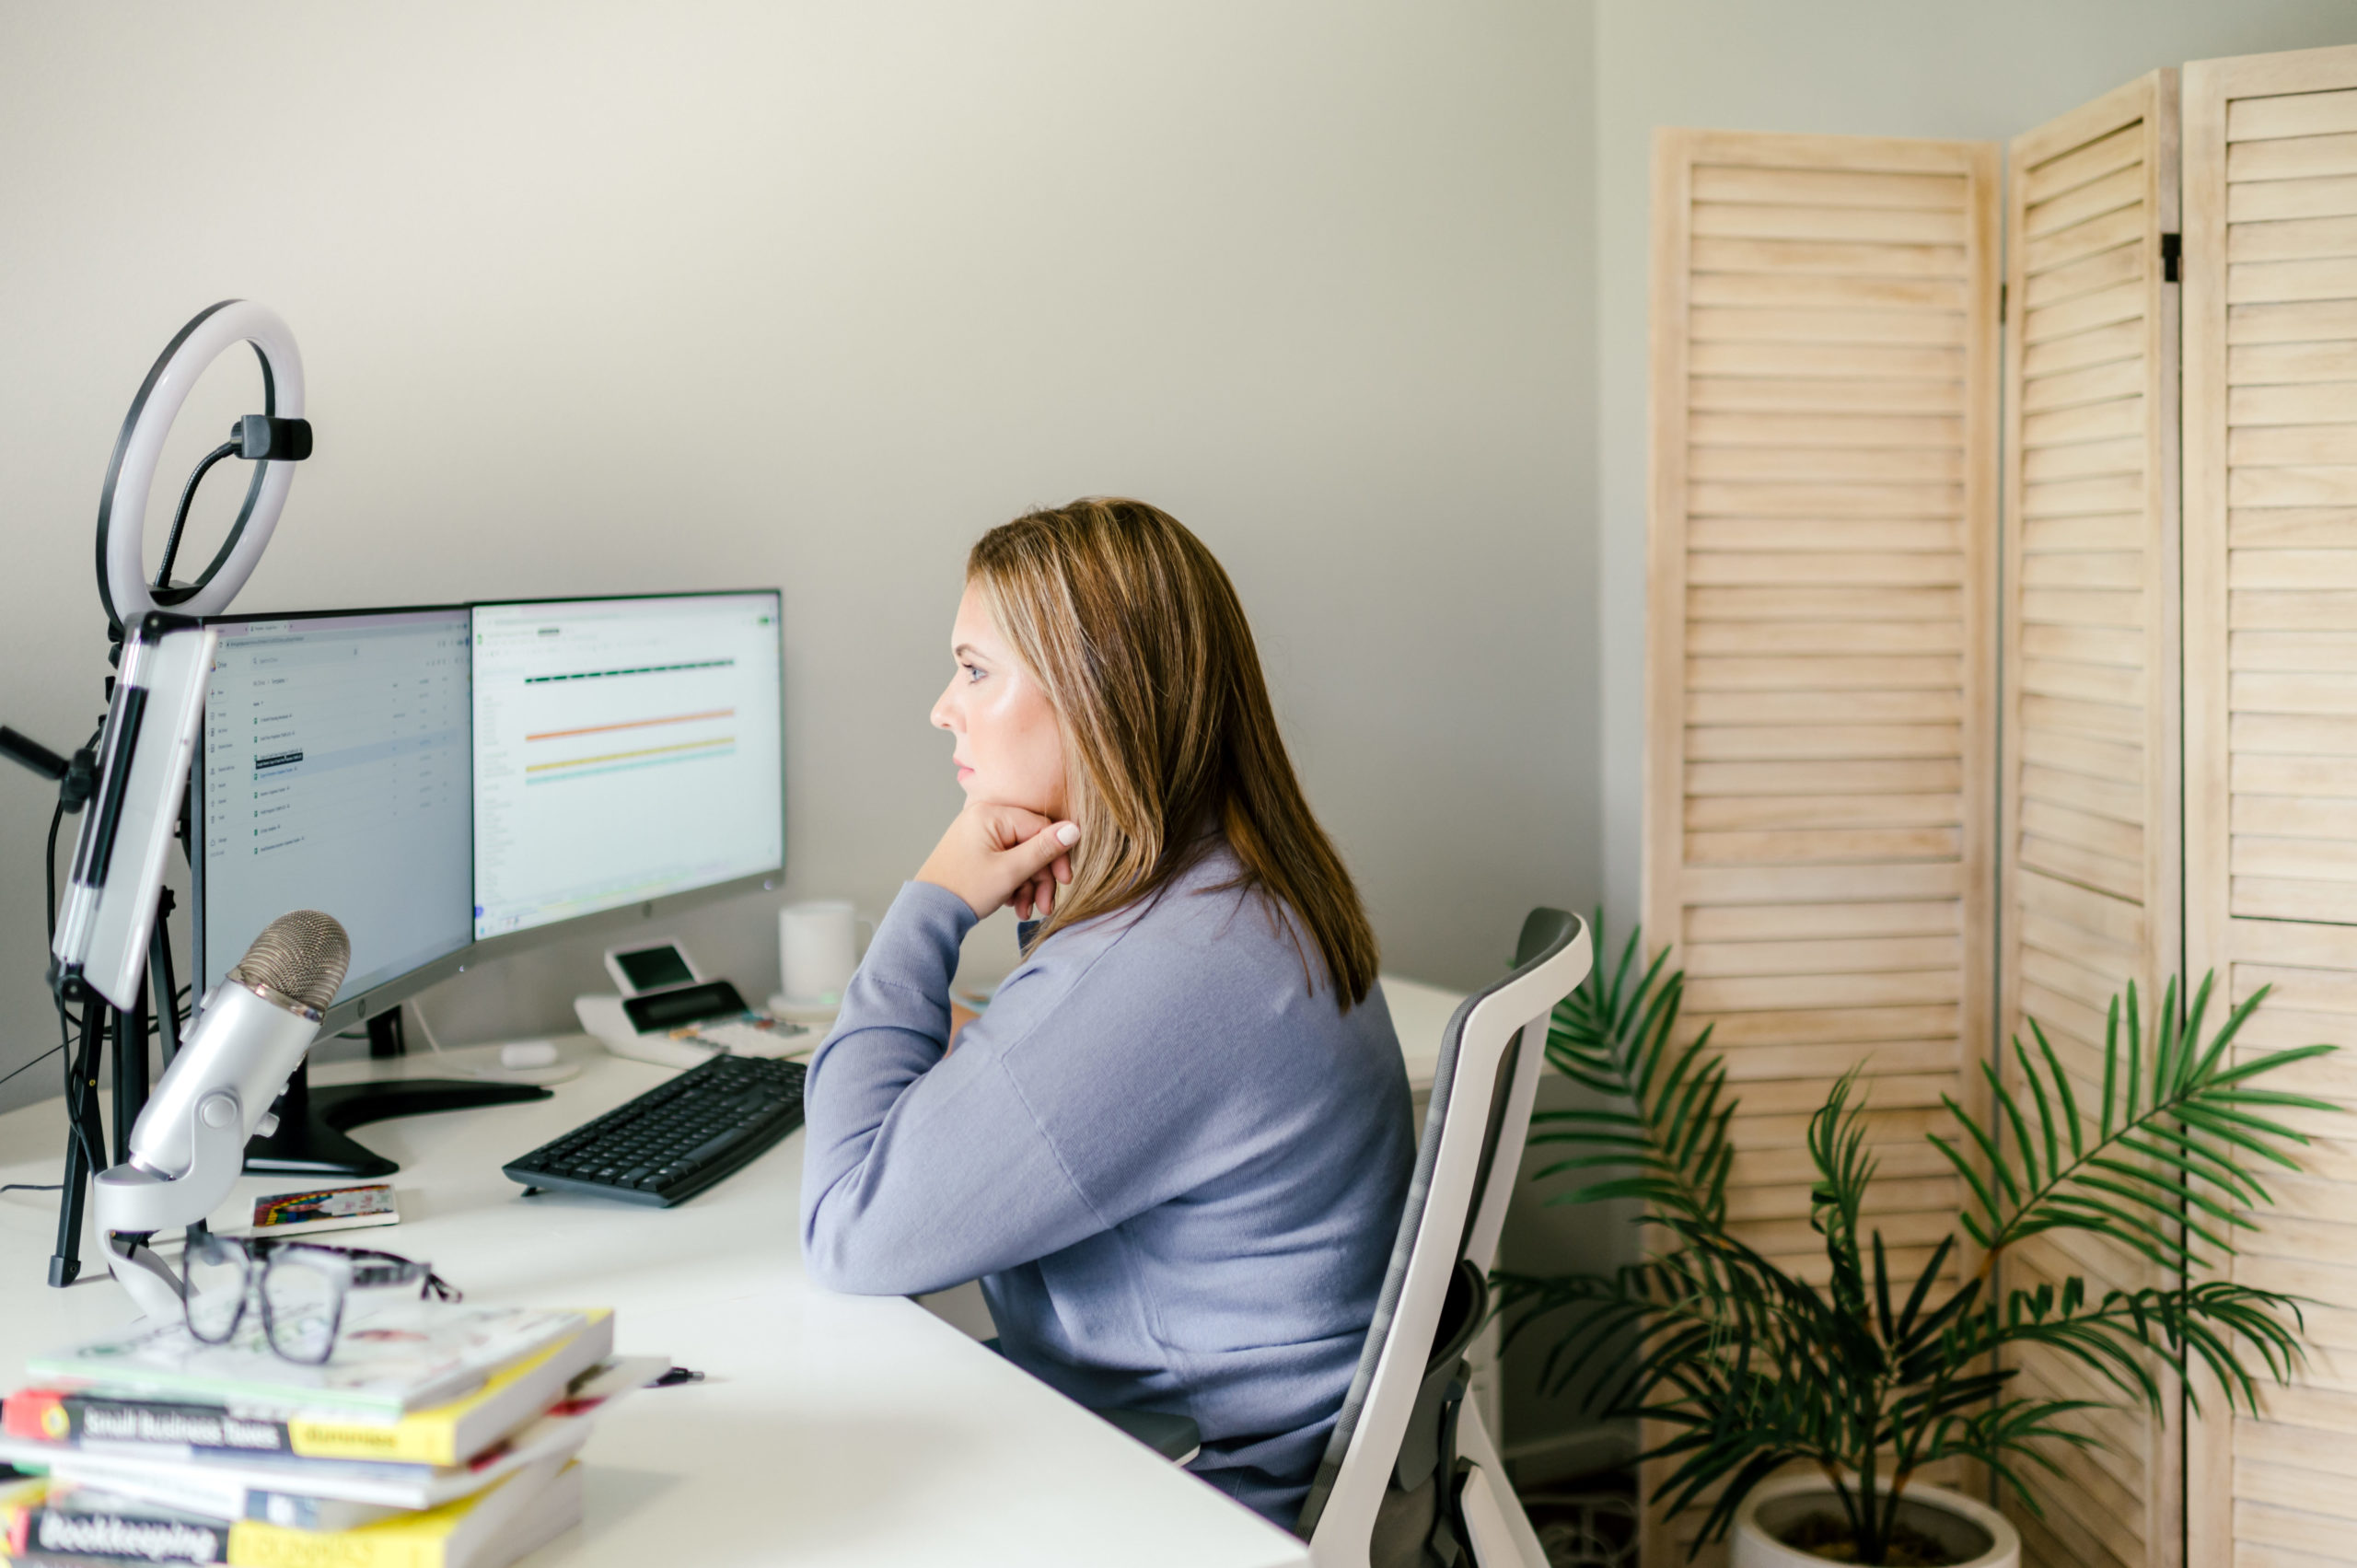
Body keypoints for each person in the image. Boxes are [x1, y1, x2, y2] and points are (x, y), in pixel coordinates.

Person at [799, 496, 1414, 1527]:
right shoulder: (1235, 893)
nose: (943, 707)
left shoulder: (1177, 966)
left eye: (975, 669)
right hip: (1249, 1435)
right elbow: (1081, 1067)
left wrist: (932, 905)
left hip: (1202, 1489)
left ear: (1094, 694)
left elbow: (849, 1230)